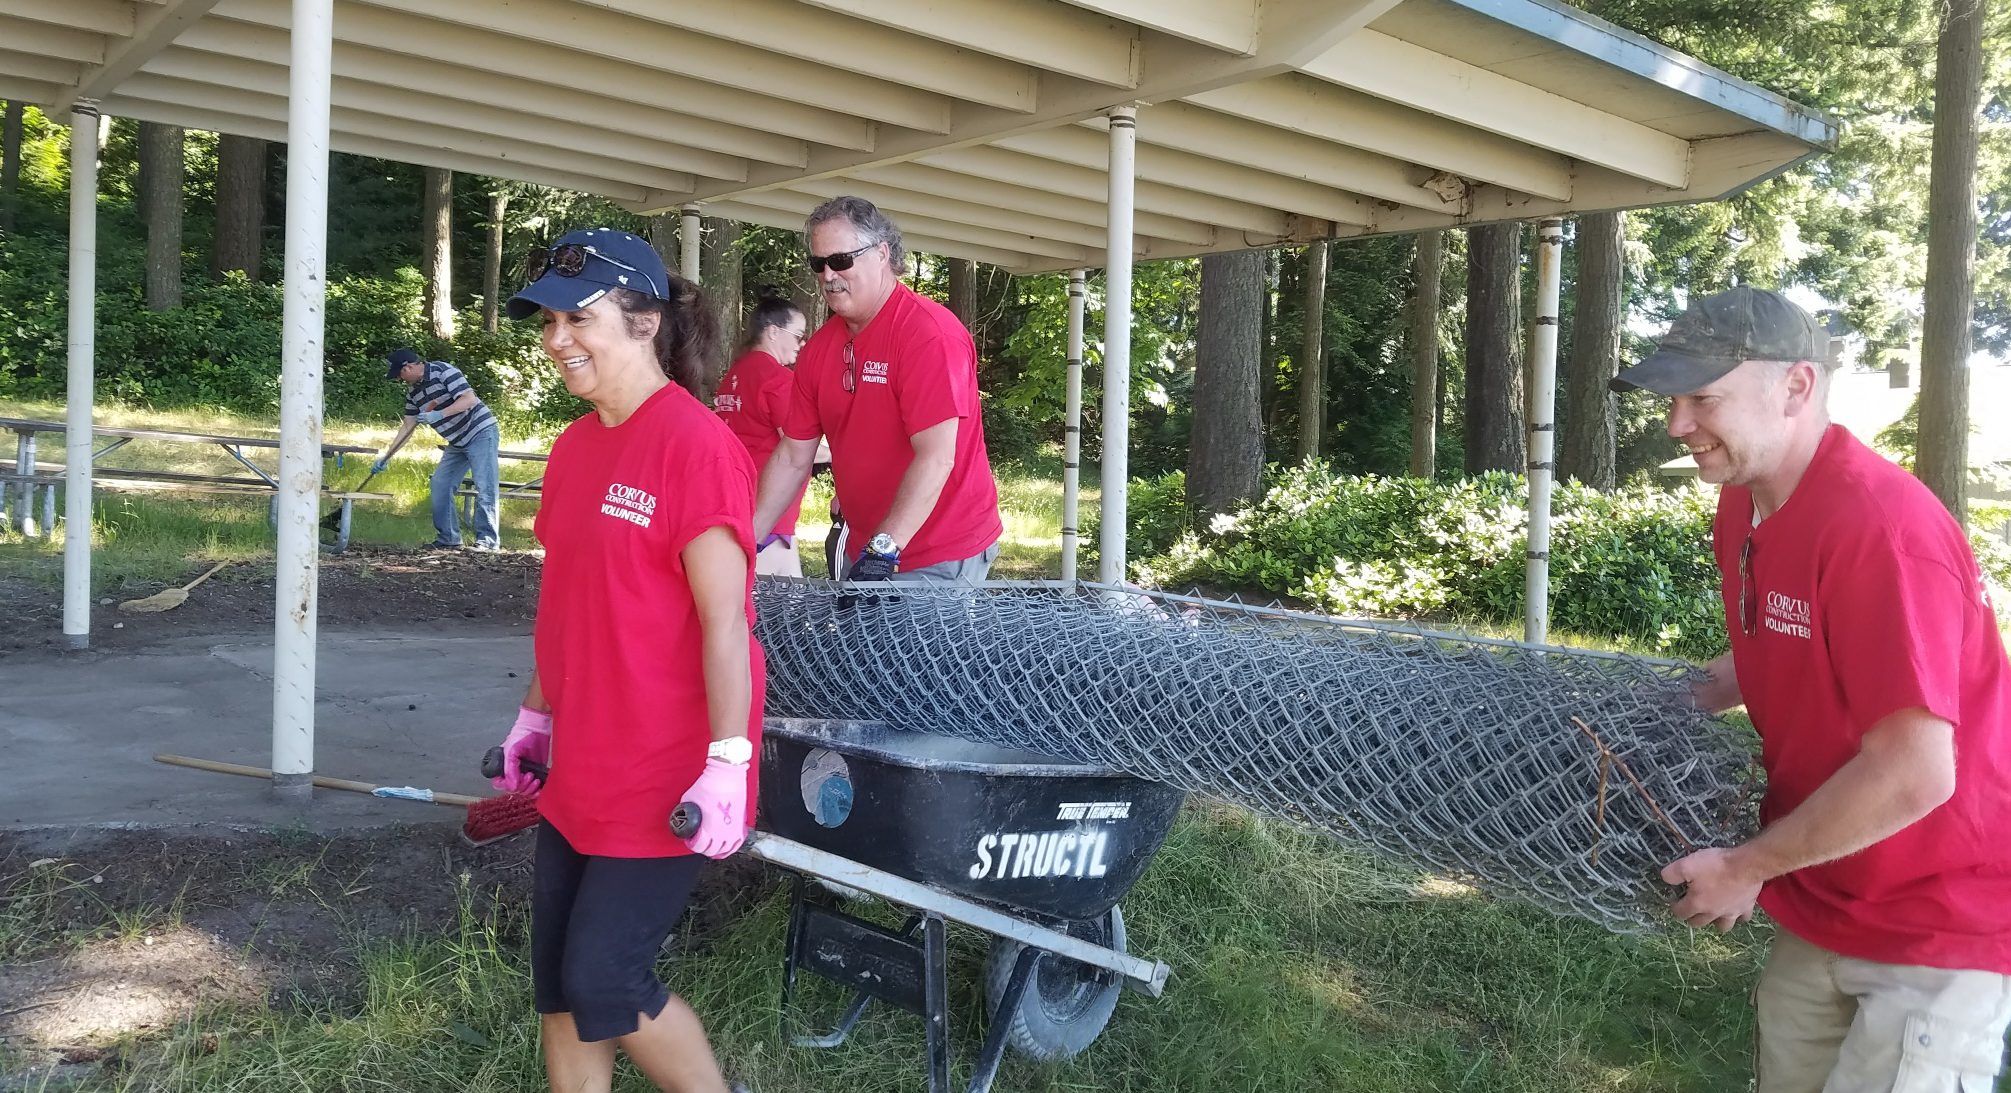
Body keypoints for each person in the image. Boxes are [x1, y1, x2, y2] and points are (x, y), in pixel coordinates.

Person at [1616, 286, 2011, 1093]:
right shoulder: (1744, 504)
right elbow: (1775, 647)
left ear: (1795, 387)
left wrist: (1744, 865)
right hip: (1822, 888)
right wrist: (1654, 705)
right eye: (1673, 399)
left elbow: (1913, 770)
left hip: (1936, 916)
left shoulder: (1880, 529)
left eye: (1702, 398)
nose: (1676, 424)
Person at [492, 227, 760, 1093]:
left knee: (605, 978)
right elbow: (568, 605)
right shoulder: (574, 448)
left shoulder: (694, 444)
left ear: (644, 324)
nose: (557, 338)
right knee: (559, 986)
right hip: (584, 760)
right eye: (547, 322)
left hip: (667, 767)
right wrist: (534, 718)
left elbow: (728, 625)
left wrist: (727, 765)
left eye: (579, 316)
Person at [751, 196, 1002, 583]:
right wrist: (746, 541)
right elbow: (792, 457)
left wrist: (884, 548)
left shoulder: (928, 335)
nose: (828, 275)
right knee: (858, 644)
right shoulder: (819, 349)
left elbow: (936, 458)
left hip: (939, 547)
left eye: (841, 260)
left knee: (902, 645)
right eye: (818, 263)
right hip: (866, 546)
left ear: (882, 253)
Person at [715, 290, 811, 576]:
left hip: (735, 500)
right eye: (798, 335)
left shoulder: (734, 375)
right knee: (778, 611)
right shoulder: (778, 379)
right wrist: (842, 454)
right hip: (770, 514)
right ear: (772, 332)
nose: (802, 343)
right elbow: (799, 445)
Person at [375, 348, 502, 550]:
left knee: (485, 485)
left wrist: (439, 415)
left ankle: (487, 542)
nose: (400, 379)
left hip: (480, 431)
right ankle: (449, 539)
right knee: (440, 484)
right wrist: (386, 457)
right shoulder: (413, 393)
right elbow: (408, 426)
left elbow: (469, 399)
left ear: (407, 367)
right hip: (457, 441)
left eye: (400, 374)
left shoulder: (444, 371)